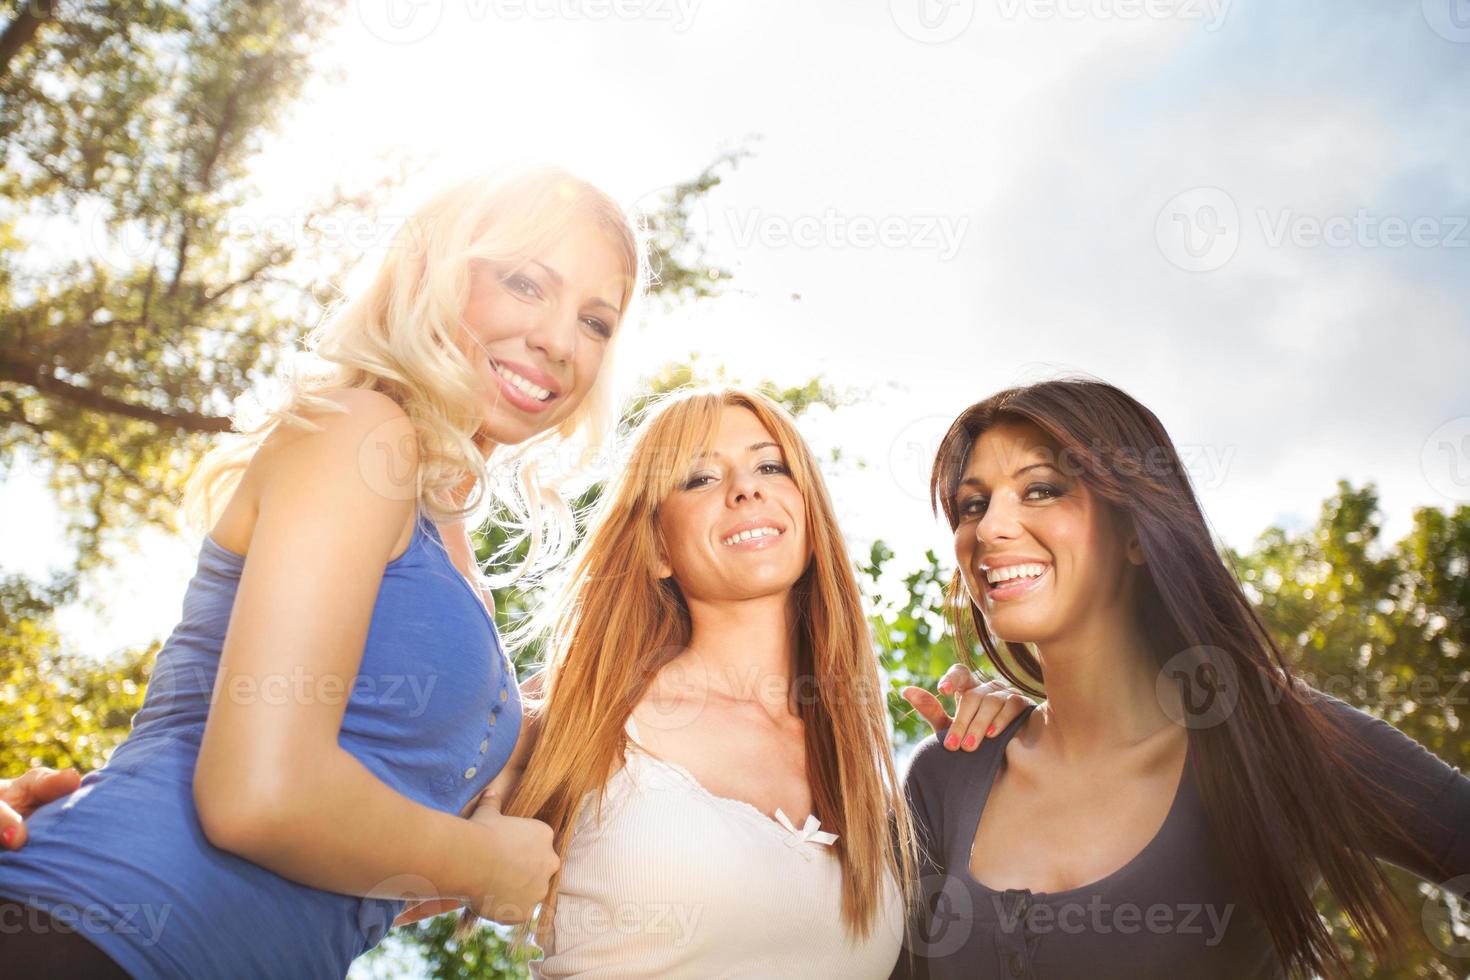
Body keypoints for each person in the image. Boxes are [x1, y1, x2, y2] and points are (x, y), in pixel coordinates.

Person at [0, 166, 641, 978]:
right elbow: (261, 797)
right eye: (525, 283)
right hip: (82, 934)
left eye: (595, 320)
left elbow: (392, 827)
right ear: (433, 272)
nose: (560, 339)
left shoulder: (452, 553)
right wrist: (487, 867)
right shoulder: (360, 430)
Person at [894, 377, 1470, 979]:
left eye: (1041, 489)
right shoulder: (948, 772)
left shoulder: (1272, 735)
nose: (989, 529)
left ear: (1136, 532)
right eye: (972, 505)